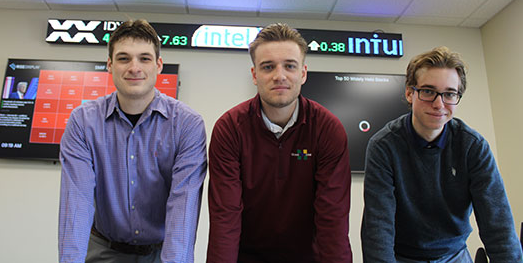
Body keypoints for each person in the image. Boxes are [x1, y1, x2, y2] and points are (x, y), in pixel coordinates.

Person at [58, 19, 207, 263]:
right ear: (110, 64)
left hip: (162, 252)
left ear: (159, 65)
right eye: (124, 58)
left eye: (144, 58)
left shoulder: (187, 124)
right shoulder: (83, 121)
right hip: (103, 248)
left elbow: (183, 208)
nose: (134, 67)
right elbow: (77, 202)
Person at [361, 46, 523, 262]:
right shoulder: (384, 146)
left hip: (454, 255)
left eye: (449, 94)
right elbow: (377, 228)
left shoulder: (473, 147)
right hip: (403, 256)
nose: (439, 104)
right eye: (428, 91)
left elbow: (498, 225)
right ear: (410, 93)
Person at [207, 23, 352, 263]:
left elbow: (333, 218)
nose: (279, 75)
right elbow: (225, 216)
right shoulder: (230, 129)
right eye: (268, 67)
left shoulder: (328, 129)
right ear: (254, 75)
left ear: (303, 73)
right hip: (248, 256)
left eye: (290, 66)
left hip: (308, 257)